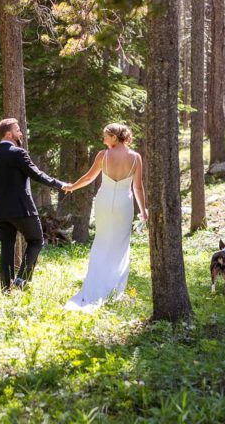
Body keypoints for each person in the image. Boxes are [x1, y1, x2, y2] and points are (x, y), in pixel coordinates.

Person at [63, 123, 147, 312]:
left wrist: (72, 186)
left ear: (115, 138)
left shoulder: (103, 155)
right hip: (124, 204)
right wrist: (143, 210)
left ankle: (96, 283)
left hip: (104, 200)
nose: (103, 140)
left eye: (106, 136)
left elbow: (88, 178)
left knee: (101, 241)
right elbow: (138, 187)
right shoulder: (135, 157)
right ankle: (114, 288)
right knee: (120, 244)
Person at [0, 118, 68, 292]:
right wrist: (59, 184)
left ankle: (5, 289)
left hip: (0, 210)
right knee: (36, 240)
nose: (21, 132)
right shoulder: (18, 153)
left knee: (6, 247)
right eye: (17, 129)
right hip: (22, 208)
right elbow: (36, 174)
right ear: (9, 134)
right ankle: (22, 279)